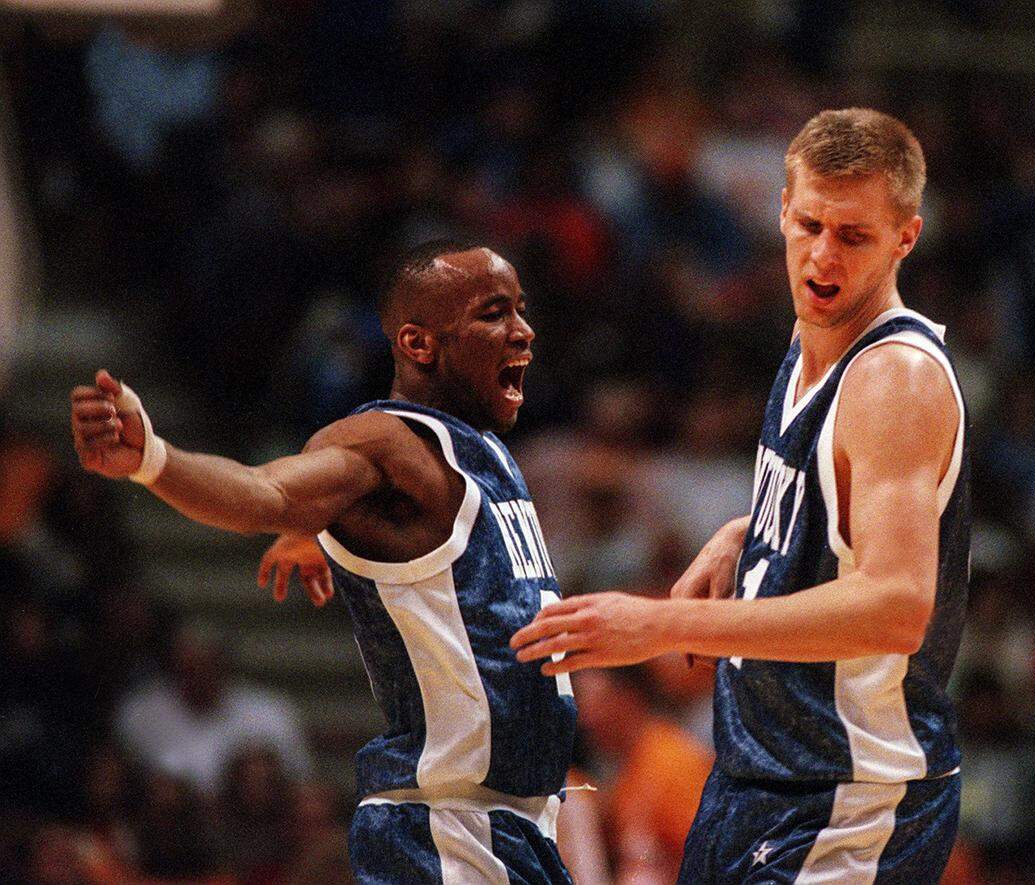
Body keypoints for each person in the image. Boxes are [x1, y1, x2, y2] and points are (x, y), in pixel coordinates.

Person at [513, 108, 970, 883]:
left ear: (905, 238)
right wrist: (746, 533)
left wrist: (659, 624)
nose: (823, 254)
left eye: (854, 235)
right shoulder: (810, 339)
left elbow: (896, 605)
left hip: (849, 797)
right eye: (810, 224)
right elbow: (840, 504)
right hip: (760, 774)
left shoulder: (893, 378)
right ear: (782, 211)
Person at [71, 241, 578, 884]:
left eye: (521, 309)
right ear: (419, 344)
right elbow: (268, 492)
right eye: (494, 313)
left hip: (517, 823)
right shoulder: (386, 443)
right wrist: (153, 460)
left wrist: (324, 530)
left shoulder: (485, 453)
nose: (523, 330)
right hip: (449, 829)